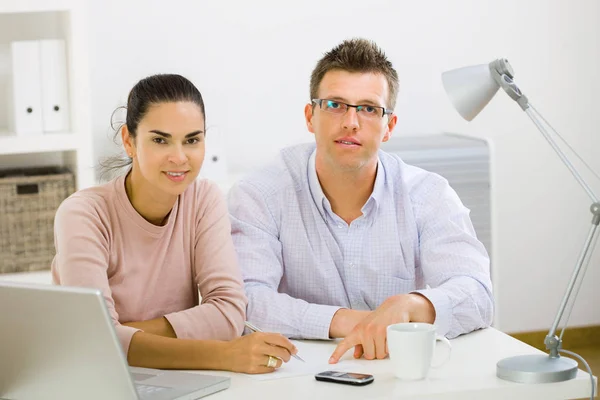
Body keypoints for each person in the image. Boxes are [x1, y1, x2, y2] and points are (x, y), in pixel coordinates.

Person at [228, 38, 494, 364]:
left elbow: (478, 294)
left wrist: (411, 306)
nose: (351, 122)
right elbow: (247, 301)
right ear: (310, 117)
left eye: (369, 109)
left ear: (388, 127)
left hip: (398, 369)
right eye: (335, 104)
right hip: (298, 373)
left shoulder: (428, 195)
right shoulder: (261, 195)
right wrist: (356, 321)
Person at [51, 74, 296, 374]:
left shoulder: (204, 200)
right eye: (160, 140)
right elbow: (92, 343)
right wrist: (222, 355)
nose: (179, 157)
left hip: (177, 376)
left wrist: (121, 335)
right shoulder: (83, 214)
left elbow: (229, 313)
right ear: (129, 141)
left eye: (192, 140)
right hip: (100, 377)